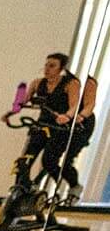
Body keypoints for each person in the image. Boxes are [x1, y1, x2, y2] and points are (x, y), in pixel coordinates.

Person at [10, 52, 85, 199]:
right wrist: (15, 105)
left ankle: (72, 185)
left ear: (61, 68)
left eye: (52, 66)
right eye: (46, 65)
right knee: (24, 161)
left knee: (49, 161)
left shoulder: (71, 84)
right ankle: (22, 191)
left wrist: (67, 116)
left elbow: (74, 106)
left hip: (60, 128)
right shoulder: (38, 83)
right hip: (42, 125)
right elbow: (21, 103)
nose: (47, 68)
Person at [61, 73, 98, 204]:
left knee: (67, 160)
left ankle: (74, 188)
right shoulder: (61, 81)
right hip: (64, 120)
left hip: (81, 123)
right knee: (49, 159)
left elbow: (90, 104)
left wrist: (80, 116)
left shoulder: (88, 83)